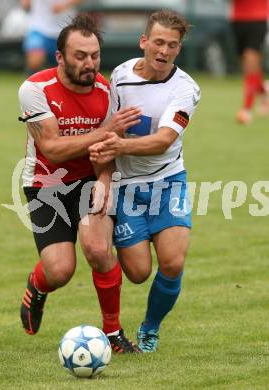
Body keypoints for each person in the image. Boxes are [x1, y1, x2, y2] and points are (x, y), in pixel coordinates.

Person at [18, 13, 142, 354]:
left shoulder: (106, 91)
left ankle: (113, 333)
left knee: (99, 249)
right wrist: (107, 130)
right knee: (59, 271)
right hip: (46, 184)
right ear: (60, 57)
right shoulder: (35, 89)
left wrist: (104, 178)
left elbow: (107, 148)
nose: (90, 64)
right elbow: (53, 149)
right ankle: (37, 286)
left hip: (89, 178)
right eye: (80, 56)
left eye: (95, 56)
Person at [89, 9, 201, 353]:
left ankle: (150, 328)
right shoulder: (120, 76)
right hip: (128, 187)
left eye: (172, 45)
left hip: (168, 182)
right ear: (144, 42)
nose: (164, 51)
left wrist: (120, 144)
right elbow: (110, 126)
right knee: (138, 272)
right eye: (158, 42)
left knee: (173, 262)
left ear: (179, 49)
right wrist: (105, 176)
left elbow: (164, 139)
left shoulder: (186, 89)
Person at [230, 0, 269, 124]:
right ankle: (264, 90)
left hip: (258, 18)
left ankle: (246, 109)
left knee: (250, 60)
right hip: (237, 20)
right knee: (248, 65)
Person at [20, 0, 85, 74]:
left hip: (64, 29)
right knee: (35, 59)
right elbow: (25, 4)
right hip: (39, 27)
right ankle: (32, 82)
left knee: (68, 66)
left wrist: (65, 5)